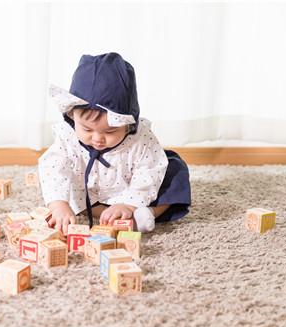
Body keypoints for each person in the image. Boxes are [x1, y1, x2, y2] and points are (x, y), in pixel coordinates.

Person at [38, 52, 191, 236]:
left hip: (133, 188)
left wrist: (128, 203)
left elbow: (149, 170)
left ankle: (147, 214)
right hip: (92, 194)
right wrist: (59, 206)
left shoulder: (140, 139)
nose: (97, 139)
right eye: (87, 129)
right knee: (69, 192)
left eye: (110, 132)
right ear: (72, 115)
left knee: (174, 172)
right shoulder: (67, 138)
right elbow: (53, 169)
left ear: (128, 124)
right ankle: (108, 218)